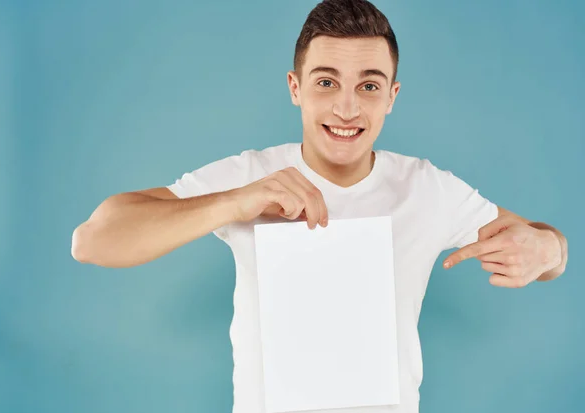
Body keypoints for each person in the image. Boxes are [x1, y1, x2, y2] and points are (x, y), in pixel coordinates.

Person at [71, 0, 568, 412]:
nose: (347, 108)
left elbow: (548, 249)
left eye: (368, 86)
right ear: (295, 88)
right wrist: (236, 202)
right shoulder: (248, 175)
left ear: (392, 96)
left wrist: (547, 250)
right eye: (326, 82)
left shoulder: (427, 187)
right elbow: (93, 240)